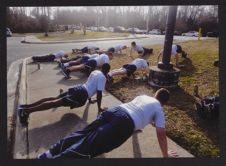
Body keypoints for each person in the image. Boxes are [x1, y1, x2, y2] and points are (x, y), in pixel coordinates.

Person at [36, 88, 175, 159]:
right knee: (87, 147)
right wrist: (165, 155)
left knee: (81, 134)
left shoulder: (144, 97)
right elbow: (161, 134)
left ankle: (47, 155)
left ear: (155, 94)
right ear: (165, 103)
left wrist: (139, 125)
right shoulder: (159, 109)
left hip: (114, 111)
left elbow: (140, 113)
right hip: (123, 123)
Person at [18, 63, 111, 127]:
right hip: (81, 94)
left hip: (78, 88)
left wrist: (90, 100)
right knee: (55, 103)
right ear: (107, 71)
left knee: (55, 99)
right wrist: (99, 108)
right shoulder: (103, 78)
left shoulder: (95, 72)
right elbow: (99, 94)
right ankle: (26, 111)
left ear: (102, 68)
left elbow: (90, 84)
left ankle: (25, 107)